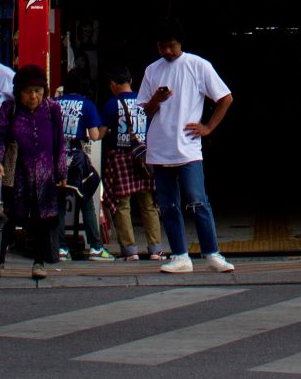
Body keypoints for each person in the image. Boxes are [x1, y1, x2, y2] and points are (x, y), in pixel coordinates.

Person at [136, 23, 235, 275]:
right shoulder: (152, 70)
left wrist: (208, 127)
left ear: (181, 43)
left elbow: (225, 98)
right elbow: (145, 109)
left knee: (198, 201)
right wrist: (156, 100)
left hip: (188, 148)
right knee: (168, 204)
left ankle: (212, 253)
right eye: (162, 46)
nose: (167, 51)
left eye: (171, 45)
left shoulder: (197, 65)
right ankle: (180, 255)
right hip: (160, 147)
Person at [0, 65, 69, 279]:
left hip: (44, 175)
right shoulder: (9, 108)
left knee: (42, 220)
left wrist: (61, 172)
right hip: (16, 174)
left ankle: (39, 262)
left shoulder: (52, 109)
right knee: (7, 216)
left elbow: (59, 143)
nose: (33, 96)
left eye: (38, 90)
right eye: (27, 91)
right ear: (18, 92)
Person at [101, 69, 162, 260]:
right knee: (149, 205)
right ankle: (155, 249)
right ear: (131, 80)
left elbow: (101, 133)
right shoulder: (144, 101)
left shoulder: (112, 104)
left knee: (122, 205)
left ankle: (130, 251)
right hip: (144, 158)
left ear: (112, 84)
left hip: (120, 158)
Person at [54, 70, 111, 261]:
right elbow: (94, 135)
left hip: (56, 158)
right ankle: (95, 247)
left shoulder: (54, 104)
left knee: (59, 204)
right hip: (77, 160)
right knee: (86, 199)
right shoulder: (87, 105)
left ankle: (61, 248)